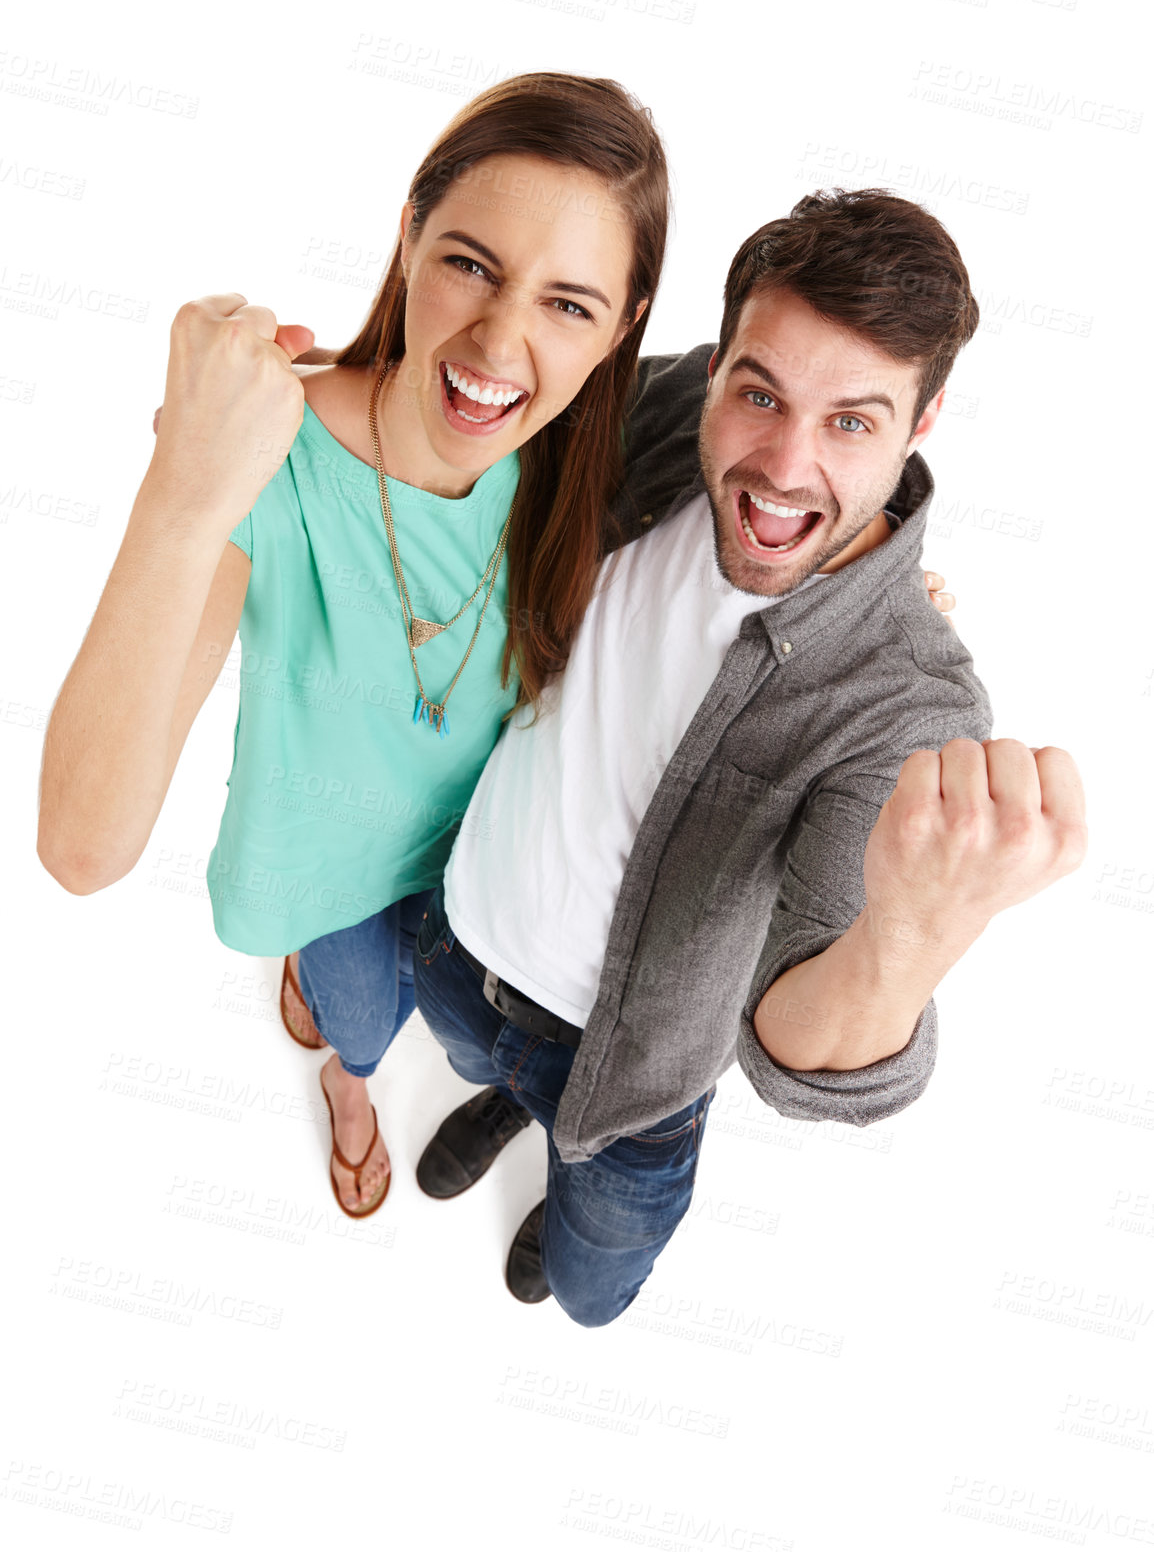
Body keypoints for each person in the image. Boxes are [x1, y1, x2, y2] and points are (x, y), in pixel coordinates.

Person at [410, 188, 1087, 1325]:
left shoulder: (905, 706)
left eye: (852, 422)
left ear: (920, 424)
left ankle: (557, 1168)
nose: (781, 464)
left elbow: (792, 1050)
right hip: (461, 941)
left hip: (628, 1094)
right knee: (477, 1059)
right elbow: (491, 404)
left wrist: (913, 929)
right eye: (759, 393)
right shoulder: (672, 404)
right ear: (718, 364)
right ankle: (503, 1103)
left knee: (584, 1292)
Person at [36, 72, 670, 1218]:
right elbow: (82, 847)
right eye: (469, 263)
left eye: (568, 304)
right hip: (325, 869)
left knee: (450, 1023)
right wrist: (184, 485)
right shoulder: (268, 463)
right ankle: (347, 1085)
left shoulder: (583, 456)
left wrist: (866, 574)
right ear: (409, 237)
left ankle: (344, 1048)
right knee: (362, 1021)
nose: (500, 340)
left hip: (472, 863)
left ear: (620, 328)